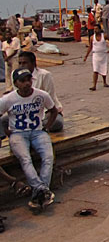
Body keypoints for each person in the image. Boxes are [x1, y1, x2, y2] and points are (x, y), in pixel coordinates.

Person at [0, 68, 58, 210]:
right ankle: (42, 190)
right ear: (16, 83)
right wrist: (6, 131)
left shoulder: (41, 95)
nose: (27, 83)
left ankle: (40, 190)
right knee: (25, 159)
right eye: (22, 81)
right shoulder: (7, 99)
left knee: (48, 157)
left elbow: (53, 110)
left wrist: (48, 127)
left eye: (29, 80)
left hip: (38, 131)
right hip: (18, 134)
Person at [16, 51, 64, 132]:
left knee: (56, 123)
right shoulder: (15, 75)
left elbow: (50, 100)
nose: (21, 66)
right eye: (20, 63)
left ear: (33, 63)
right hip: (26, 112)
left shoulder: (44, 75)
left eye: (25, 63)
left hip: (46, 111)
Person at [83, 25, 109, 91]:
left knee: (104, 69)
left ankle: (104, 82)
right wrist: (86, 56)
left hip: (103, 55)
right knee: (95, 70)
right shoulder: (92, 38)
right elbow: (90, 47)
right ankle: (94, 85)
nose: (95, 30)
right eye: (94, 29)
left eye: (96, 29)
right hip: (95, 55)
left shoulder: (104, 36)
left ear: (100, 29)